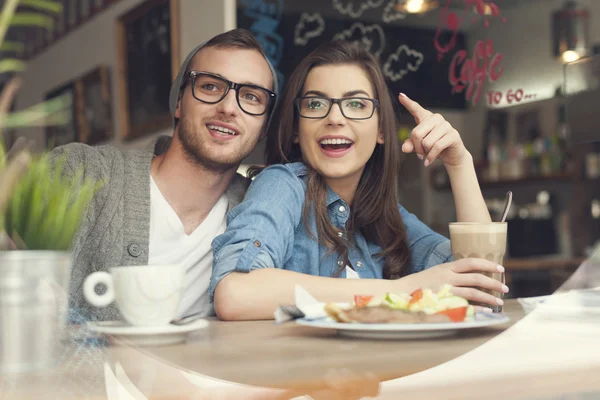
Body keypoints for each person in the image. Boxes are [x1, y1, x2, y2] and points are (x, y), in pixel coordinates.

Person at [210, 41, 509, 320]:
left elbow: (482, 288)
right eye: (315, 104)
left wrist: (460, 164)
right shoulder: (282, 185)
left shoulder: (386, 217)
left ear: (381, 130)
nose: (335, 118)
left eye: (356, 104)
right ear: (296, 130)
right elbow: (235, 292)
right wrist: (403, 290)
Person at [50, 28, 279, 321]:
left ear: (263, 126)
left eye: (251, 97)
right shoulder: (80, 173)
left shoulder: (260, 214)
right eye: (210, 86)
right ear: (180, 103)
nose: (228, 108)